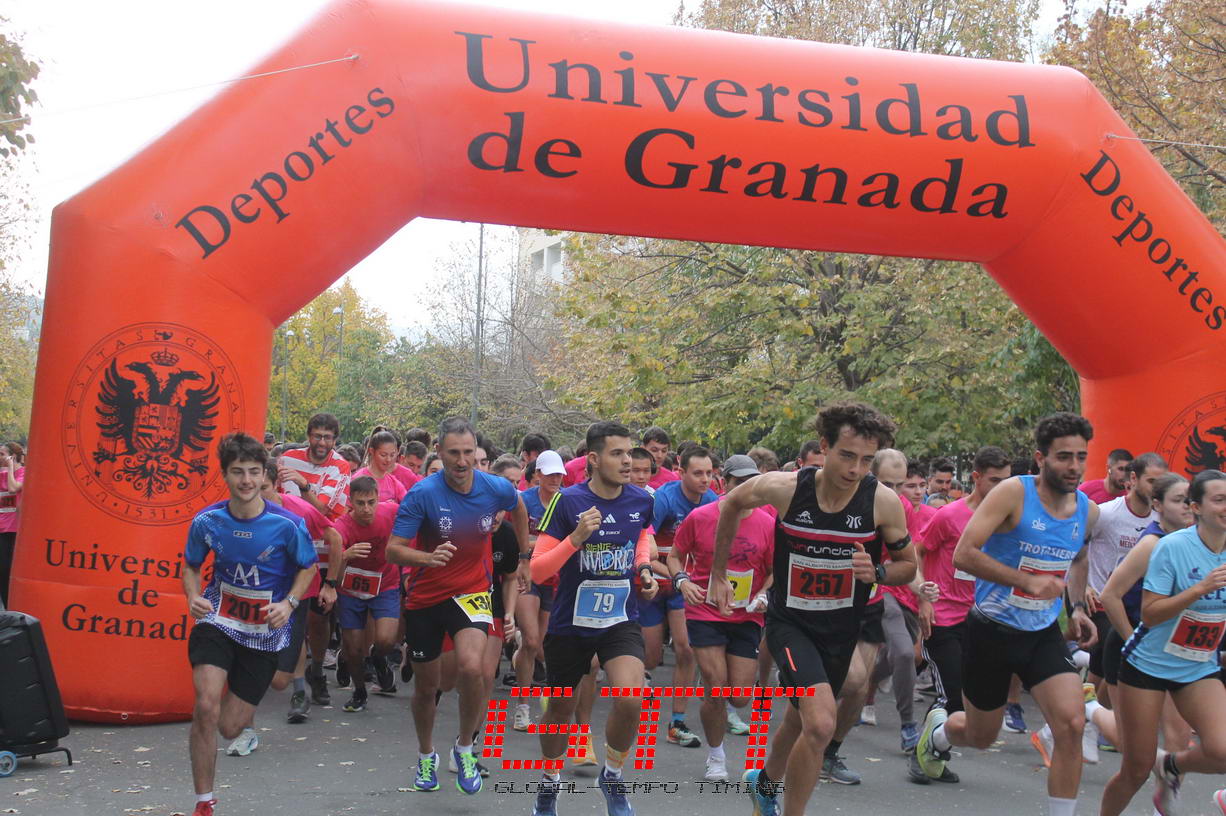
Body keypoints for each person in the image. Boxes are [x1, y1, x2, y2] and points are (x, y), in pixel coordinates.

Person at [709, 401, 914, 816]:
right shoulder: (786, 488)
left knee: (800, 719)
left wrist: (877, 572)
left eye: (867, 460)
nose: (856, 469)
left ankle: (764, 784)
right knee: (821, 724)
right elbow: (731, 503)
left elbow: (908, 567)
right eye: (847, 456)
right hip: (790, 624)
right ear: (824, 446)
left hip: (840, 630)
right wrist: (718, 573)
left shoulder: (882, 502)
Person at [915, 413, 1099, 816]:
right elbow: (964, 553)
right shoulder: (1014, 493)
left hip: (1042, 633)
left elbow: (1079, 557)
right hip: (991, 632)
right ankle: (940, 732)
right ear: (1041, 458)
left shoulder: (1087, 510)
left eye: (1081, 457)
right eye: (1063, 457)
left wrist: (1077, 607)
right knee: (981, 736)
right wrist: (1025, 580)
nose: (1074, 466)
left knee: (1071, 725)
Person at [386, 417, 529, 796]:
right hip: (426, 597)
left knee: (473, 667)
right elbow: (393, 550)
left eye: (468, 453)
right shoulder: (422, 494)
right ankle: (426, 754)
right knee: (427, 687)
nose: (462, 461)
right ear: (439, 452)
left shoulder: (494, 487)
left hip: (472, 591)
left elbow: (518, 507)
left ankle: (465, 747)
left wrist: (524, 556)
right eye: (454, 453)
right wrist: (426, 558)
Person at [181, 433, 317, 816]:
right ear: (225, 474)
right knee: (205, 705)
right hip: (218, 620)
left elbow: (307, 567)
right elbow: (191, 565)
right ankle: (203, 802)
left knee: (229, 727)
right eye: (238, 472)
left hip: (264, 633)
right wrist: (192, 595)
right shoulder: (208, 521)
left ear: (264, 475)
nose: (246, 480)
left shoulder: (287, 525)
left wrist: (289, 603)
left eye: (254, 472)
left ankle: (234, 713)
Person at [529, 420, 658, 816]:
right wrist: (575, 539)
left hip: (620, 620)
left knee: (631, 698)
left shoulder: (641, 499)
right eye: (617, 453)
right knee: (560, 714)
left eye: (629, 452)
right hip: (571, 624)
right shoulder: (568, 502)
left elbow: (641, 535)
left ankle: (613, 776)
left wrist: (643, 568)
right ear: (594, 459)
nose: (627, 461)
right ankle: (549, 783)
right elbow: (538, 571)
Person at [1100, 469, 1226, 816]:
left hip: (1197, 665)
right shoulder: (1171, 547)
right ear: (1196, 507)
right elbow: (1151, 613)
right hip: (1147, 666)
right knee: (1136, 770)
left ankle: (1170, 765)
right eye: (1219, 500)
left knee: (1222, 750)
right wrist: (1199, 589)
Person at [906, 446, 1011, 783]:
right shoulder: (949, 515)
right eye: (995, 481)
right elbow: (917, 552)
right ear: (976, 478)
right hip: (943, 617)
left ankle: (930, 750)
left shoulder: (1007, 521)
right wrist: (924, 597)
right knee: (953, 696)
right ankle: (925, 752)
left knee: (966, 697)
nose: (1002, 488)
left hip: (982, 619)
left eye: (1007, 481)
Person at [667, 453, 774, 783]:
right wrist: (682, 582)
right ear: (724, 483)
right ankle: (716, 756)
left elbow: (774, 571)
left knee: (739, 696)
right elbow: (675, 556)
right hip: (705, 610)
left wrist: (764, 594)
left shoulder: (768, 523)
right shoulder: (701, 517)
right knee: (716, 689)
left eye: (752, 482)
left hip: (746, 615)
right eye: (739, 481)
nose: (746, 488)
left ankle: (715, 692)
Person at [1082, 453, 1167, 736]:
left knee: (1108, 669)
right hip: (1102, 599)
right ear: (1133, 479)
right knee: (1117, 650)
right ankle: (1103, 722)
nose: (1156, 488)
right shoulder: (1107, 513)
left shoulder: (1162, 518)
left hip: (1136, 604)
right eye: (1151, 481)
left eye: (1161, 482)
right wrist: (1083, 587)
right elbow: (1075, 549)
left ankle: (1090, 716)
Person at [644, 446, 718, 748]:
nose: (705, 479)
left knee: (686, 649)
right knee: (651, 658)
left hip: (682, 586)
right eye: (698, 473)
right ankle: (634, 679)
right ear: (681, 472)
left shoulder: (711, 501)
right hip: (654, 581)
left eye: (709, 473)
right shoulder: (664, 498)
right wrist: (673, 574)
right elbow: (646, 545)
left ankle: (676, 722)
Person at [258, 463, 341, 724]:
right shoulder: (242, 510)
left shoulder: (298, 509)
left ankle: (299, 690)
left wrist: (330, 584)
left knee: (285, 660)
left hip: (298, 587)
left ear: (276, 485)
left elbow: (335, 538)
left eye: (264, 488)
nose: (257, 495)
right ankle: (296, 688)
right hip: (262, 587)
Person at [332, 476, 403, 711]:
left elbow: (416, 519)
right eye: (360, 503)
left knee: (386, 640)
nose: (366, 509)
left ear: (378, 498)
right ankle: (359, 691)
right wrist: (345, 555)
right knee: (353, 649)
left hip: (385, 583)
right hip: (351, 589)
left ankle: (378, 658)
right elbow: (335, 576)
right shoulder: (341, 527)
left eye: (371, 502)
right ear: (350, 502)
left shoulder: (391, 511)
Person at [514, 450, 566, 733]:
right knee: (532, 641)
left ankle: (521, 651)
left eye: (559, 474)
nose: (555, 479)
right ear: (537, 475)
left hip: (555, 580)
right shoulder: (524, 501)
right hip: (527, 575)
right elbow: (513, 537)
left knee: (541, 645)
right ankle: (522, 708)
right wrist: (542, 545)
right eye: (550, 474)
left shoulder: (566, 502)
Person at [278, 413, 351, 520]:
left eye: (327, 437)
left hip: (318, 529)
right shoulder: (287, 459)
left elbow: (321, 511)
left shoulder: (340, 467)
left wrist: (304, 486)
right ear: (308, 436)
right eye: (317, 436)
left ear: (334, 440)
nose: (322, 443)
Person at [354, 427, 410, 504]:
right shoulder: (357, 479)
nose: (388, 459)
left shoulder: (394, 483)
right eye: (383, 455)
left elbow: (409, 506)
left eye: (392, 455)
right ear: (372, 451)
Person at [0, 442, 25, 608]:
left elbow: (13, 488)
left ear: (12, 456)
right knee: (2, 571)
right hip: (1, 528)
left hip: (14, 530)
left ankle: (12, 607)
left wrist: (10, 468)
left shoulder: (24, 472)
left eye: (2, 454)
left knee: (7, 570)